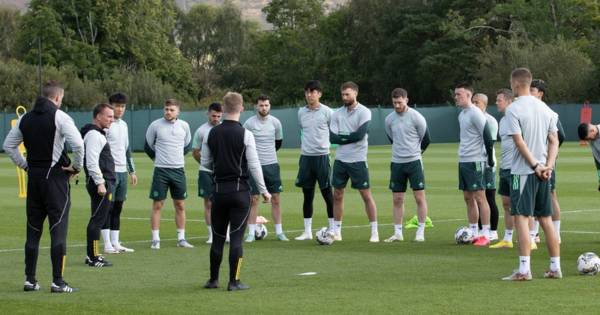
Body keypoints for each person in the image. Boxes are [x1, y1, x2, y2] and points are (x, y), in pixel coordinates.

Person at [3, 80, 83, 293]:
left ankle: (30, 279)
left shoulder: (25, 118)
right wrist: (76, 167)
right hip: (56, 180)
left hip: (35, 179)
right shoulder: (61, 117)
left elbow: (8, 146)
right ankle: (58, 281)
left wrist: (26, 166)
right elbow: (78, 144)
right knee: (58, 230)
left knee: (33, 231)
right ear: (57, 97)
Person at [201, 92, 271, 291]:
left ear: (223, 109)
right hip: (240, 192)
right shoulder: (246, 134)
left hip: (219, 193)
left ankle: (213, 280)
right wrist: (264, 191)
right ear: (241, 108)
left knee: (218, 238)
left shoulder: (211, 133)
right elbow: (255, 165)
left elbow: (205, 163)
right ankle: (234, 281)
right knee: (237, 238)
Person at [502, 67, 561, 281]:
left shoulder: (513, 109)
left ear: (515, 84)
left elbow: (519, 142)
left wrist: (536, 165)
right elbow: (554, 141)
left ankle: (524, 270)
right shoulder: (546, 109)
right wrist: (548, 166)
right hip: (544, 173)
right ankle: (555, 267)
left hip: (523, 172)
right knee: (545, 219)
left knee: (521, 218)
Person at [330, 81, 379, 242]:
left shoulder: (364, 112)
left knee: (365, 195)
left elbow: (360, 136)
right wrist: (349, 137)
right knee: (337, 195)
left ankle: (374, 231)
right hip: (340, 160)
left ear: (355, 94)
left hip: (358, 160)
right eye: (343, 94)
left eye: (347, 94)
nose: (344, 97)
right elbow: (333, 138)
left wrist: (344, 137)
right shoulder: (336, 114)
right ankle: (337, 231)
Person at [383, 88, 430, 242]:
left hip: (414, 162)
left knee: (419, 197)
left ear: (406, 100)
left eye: (400, 102)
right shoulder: (389, 119)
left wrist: (415, 153)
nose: (397, 105)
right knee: (397, 199)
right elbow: (392, 138)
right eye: (394, 102)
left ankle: (420, 231)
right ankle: (398, 233)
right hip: (397, 163)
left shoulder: (417, 117)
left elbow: (426, 139)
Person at [145, 99, 192, 249]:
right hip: (161, 171)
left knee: (180, 205)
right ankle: (155, 239)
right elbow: (148, 146)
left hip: (178, 170)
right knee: (158, 204)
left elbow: (187, 146)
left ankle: (181, 239)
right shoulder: (155, 125)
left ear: (178, 111)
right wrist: (157, 159)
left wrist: (176, 159)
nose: (168, 112)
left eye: (171, 110)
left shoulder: (184, 126)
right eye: (166, 109)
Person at [243, 95, 289, 242]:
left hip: (272, 165)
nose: (264, 108)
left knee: (275, 198)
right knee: (254, 199)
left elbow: (278, 142)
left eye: (266, 105)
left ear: (270, 106)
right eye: (261, 105)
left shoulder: (276, 123)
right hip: (254, 166)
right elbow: (243, 144)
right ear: (256, 106)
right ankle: (250, 233)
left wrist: (268, 155)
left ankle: (279, 232)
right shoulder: (249, 124)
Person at [455, 83, 495, 246]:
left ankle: (485, 233)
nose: (456, 97)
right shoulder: (462, 115)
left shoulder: (475, 113)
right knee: (467, 197)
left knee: (480, 196)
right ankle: (473, 230)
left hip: (476, 160)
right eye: (456, 94)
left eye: (459, 94)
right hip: (463, 160)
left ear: (468, 96)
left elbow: (487, 135)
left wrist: (490, 158)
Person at [294, 80, 335, 241]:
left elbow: (333, 130)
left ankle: (333, 229)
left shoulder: (328, 112)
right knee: (307, 194)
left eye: (313, 91)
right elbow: (303, 130)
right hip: (306, 157)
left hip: (322, 157)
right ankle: (307, 231)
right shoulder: (301, 112)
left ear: (319, 94)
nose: (309, 95)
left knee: (327, 194)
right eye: (307, 92)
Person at [530, 79, 565, 244]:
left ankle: (556, 234)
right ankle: (534, 234)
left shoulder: (549, 112)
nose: (529, 92)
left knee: (551, 195)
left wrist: (552, 155)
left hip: (545, 162)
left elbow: (560, 137)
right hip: (530, 162)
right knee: (533, 196)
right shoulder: (527, 110)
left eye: (533, 90)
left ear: (540, 94)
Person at [81, 103, 116, 268]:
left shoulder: (94, 133)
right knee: (97, 220)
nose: (112, 119)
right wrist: (100, 183)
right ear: (98, 116)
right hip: (101, 183)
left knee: (98, 219)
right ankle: (93, 256)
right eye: (109, 116)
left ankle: (92, 255)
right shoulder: (95, 135)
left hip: (100, 182)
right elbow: (92, 162)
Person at [102, 92, 137, 254]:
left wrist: (132, 171)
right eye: (117, 106)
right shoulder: (105, 126)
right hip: (110, 172)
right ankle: (107, 244)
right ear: (110, 106)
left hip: (123, 172)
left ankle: (116, 243)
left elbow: (127, 149)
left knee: (118, 207)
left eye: (122, 106)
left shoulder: (124, 125)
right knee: (107, 208)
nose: (120, 109)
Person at [192, 102, 223, 244]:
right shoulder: (201, 131)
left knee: (224, 204)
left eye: (218, 116)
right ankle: (211, 235)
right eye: (213, 116)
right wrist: (206, 164)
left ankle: (225, 234)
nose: (215, 118)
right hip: (206, 172)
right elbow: (195, 152)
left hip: (223, 172)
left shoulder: (225, 129)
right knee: (209, 204)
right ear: (208, 114)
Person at [489, 89, 516, 249]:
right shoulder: (503, 121)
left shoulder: (517, 118)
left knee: (520, 205)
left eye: (499, 100)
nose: (497, 102)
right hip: (505, 167)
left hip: (516, 168)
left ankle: (532, 237)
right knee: (506, 203)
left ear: (508, 101)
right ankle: (507, 238)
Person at [472, 93, 500, 241]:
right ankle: (480, 229)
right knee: (476, 197)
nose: (475, 105)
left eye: (478, 103)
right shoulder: (470, 117)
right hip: (475, 162)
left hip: (488, 163)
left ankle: (493, 231)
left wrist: (489, 162)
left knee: (489, 197)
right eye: (473, 102)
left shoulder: (491, 121)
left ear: (485, 104)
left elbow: (490, 143)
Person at [577, 122, 600, 188]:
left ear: (592, 130)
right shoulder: (592, 141)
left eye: (589, 138)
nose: (589, 140)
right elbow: (598, 161)